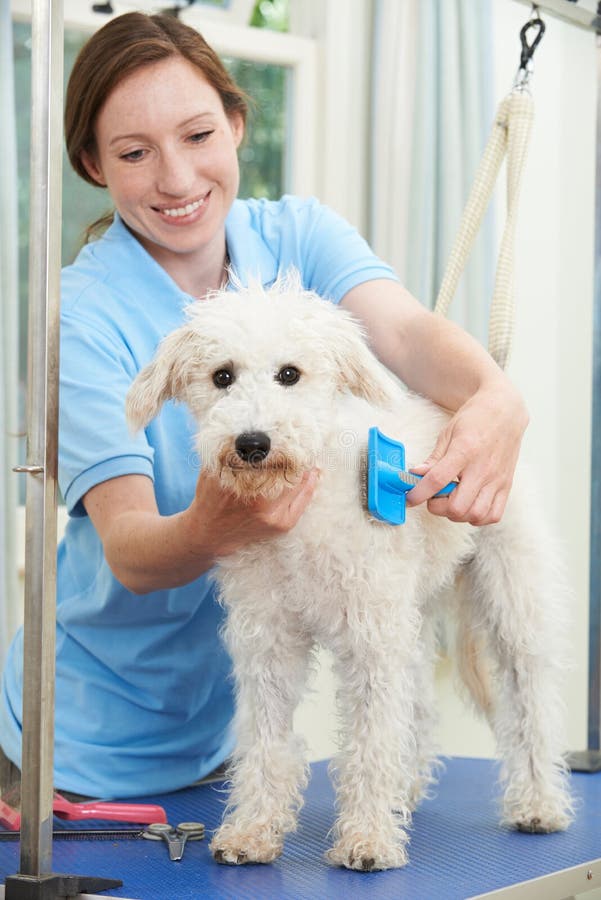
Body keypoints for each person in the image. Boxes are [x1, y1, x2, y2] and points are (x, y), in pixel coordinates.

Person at [0, 12, 528, 799]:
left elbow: (409, 336)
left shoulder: (297, 235)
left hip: (221, 743)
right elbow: (131, 552)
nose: (177, 179)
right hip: (73, 753)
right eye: (135, 153)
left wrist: (496, 395)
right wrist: (214, 524)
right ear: (92, 164)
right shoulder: (80, 317)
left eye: (198, 135)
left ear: (237, 124)